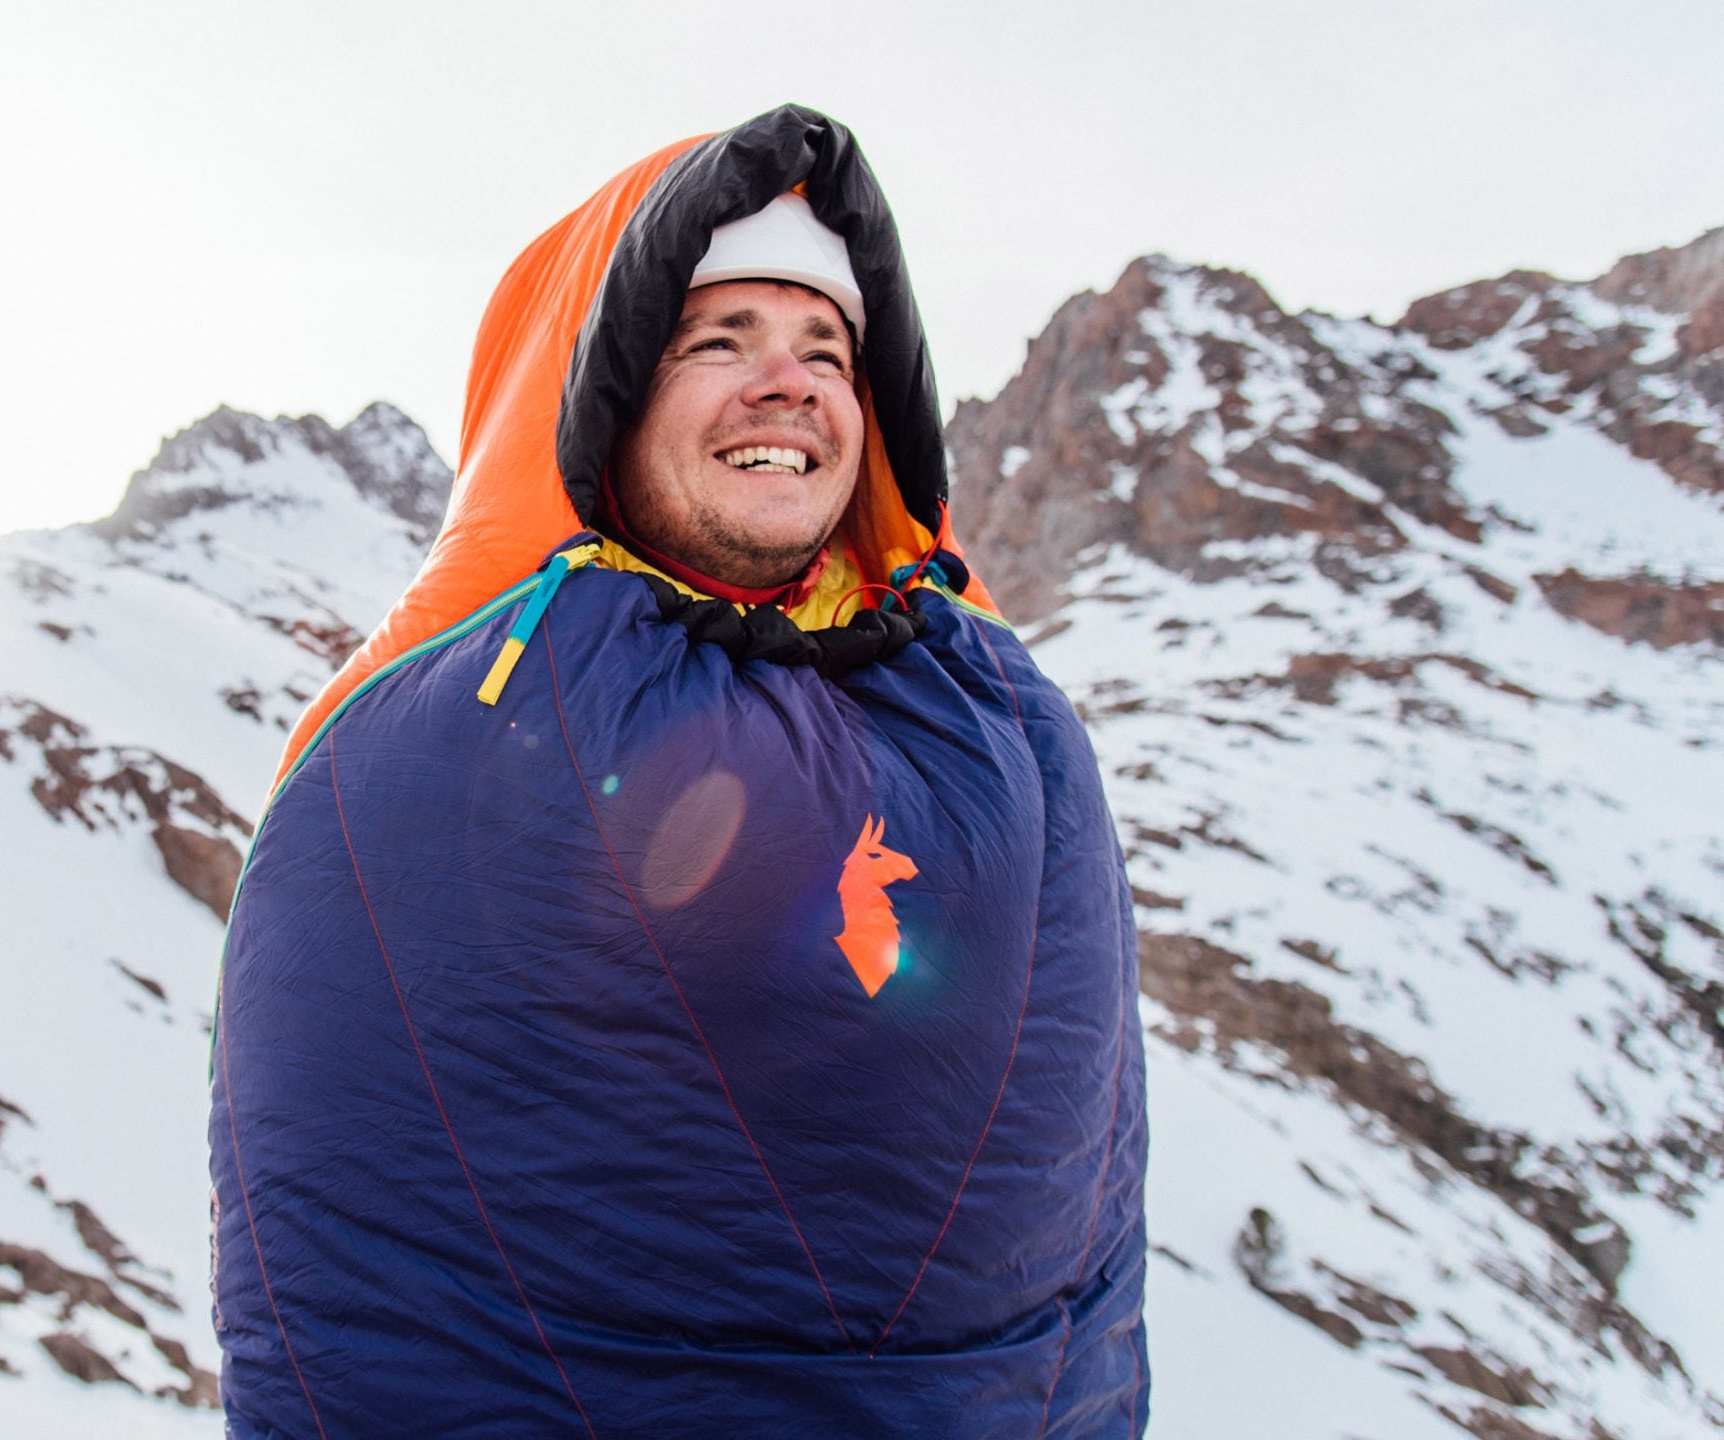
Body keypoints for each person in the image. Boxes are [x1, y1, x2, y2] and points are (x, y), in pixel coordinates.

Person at [210, 104, 1149, 1438]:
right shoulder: (459, 715)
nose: (791, 383)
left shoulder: (999, 716)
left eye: (829, 349)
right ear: (603, 396)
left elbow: (1078, 1226)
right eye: (721, 340)